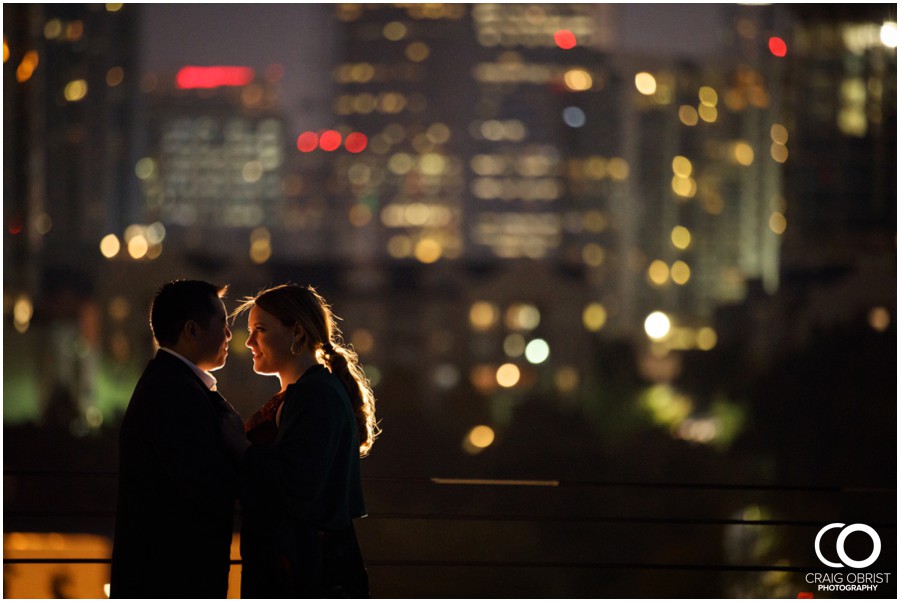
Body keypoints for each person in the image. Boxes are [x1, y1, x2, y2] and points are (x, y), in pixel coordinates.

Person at [231, 283, 379, 598]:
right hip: (297, 561)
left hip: (305, 569)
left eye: (260, 329)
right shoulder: (310, 393)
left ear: (296, 331)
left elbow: (298, 483)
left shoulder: (315, 396)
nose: (250, 342)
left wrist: (242, 449)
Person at [110, 280, 246, 598]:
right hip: (172, 578)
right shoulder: (175, 394)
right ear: (192, 331)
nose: (229, 335)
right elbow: (203, 483)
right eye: (223, 325)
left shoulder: (171, 384)